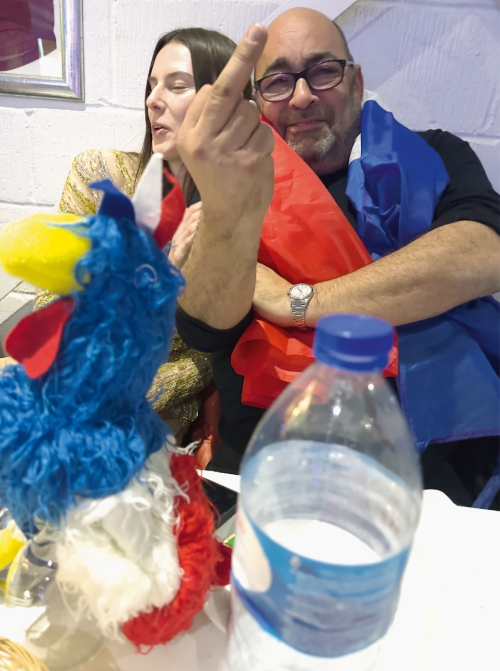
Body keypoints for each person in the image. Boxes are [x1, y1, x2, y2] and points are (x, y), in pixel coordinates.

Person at [175, 12, 500, 507]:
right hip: (266, 472)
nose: (302, 96)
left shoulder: (434, 155)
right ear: (257, 100)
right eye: (278, 81)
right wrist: (225, 207)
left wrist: (298, 302)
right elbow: (205, 325)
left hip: (433, 478)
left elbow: (482, 251)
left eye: (323, 70)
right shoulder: (234, 180)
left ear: (357, 82)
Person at [34, 27, 248, 445]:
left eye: (177, 86)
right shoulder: (101, 177)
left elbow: (208, 358)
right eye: (152, 85)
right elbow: (50, 311)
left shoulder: (232, 221)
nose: (153, 99)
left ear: (223, 103)